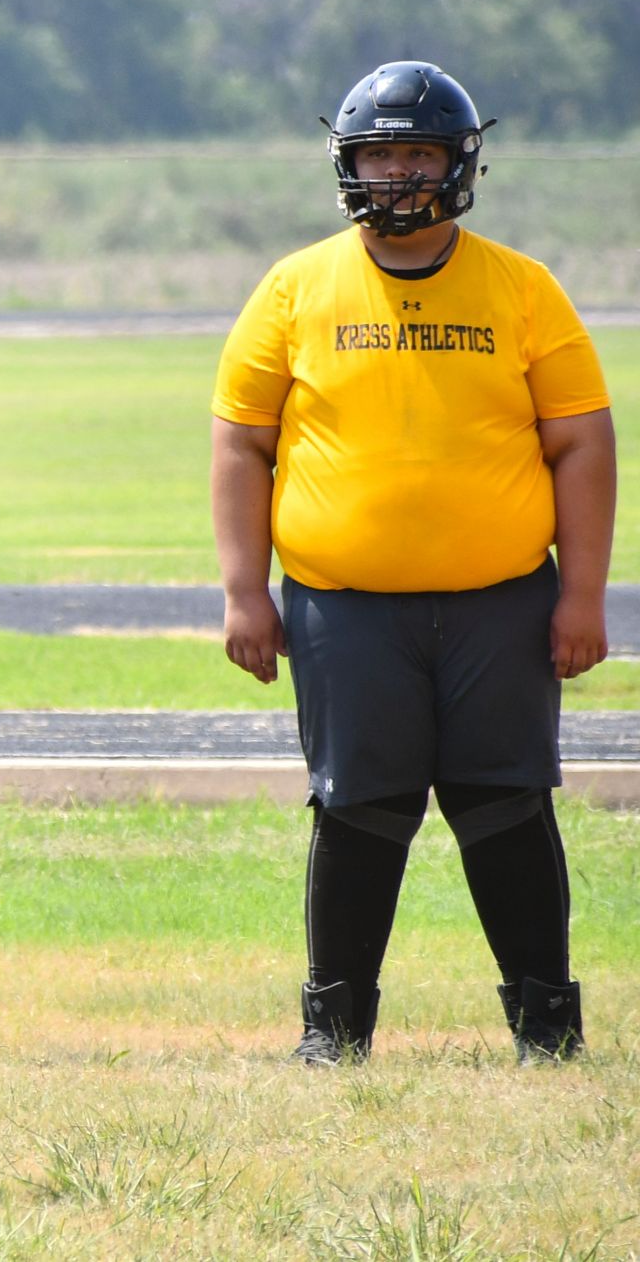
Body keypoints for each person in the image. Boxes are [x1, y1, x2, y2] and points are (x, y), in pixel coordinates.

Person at [212, 60, 616, 1065]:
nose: (396, 173)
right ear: (345, 164)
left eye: (417, 152)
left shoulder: (520, 290)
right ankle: (332, 1032)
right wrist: (240, 592)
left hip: (499, 607)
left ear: (458, 163)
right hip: (341, 609)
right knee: (356, 808)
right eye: (377, 153)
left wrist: (580, 595)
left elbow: (581, 444)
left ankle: (545, 1032)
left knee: (505, 805)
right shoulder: (293, 287)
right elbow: (239, 442)